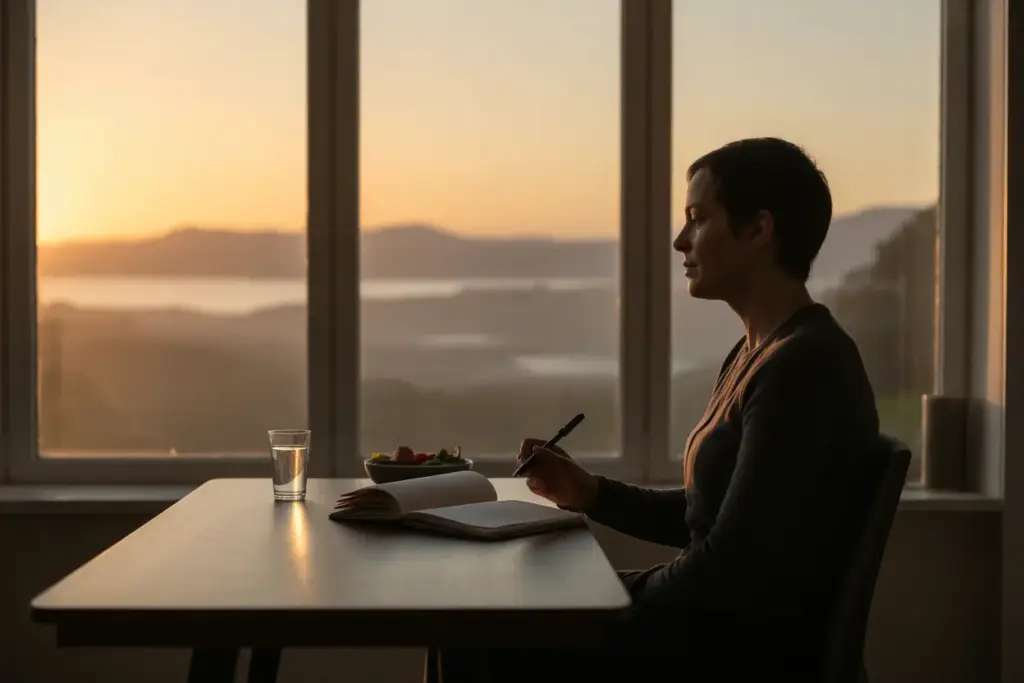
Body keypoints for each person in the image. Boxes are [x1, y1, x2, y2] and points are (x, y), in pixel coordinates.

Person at [428, 137, 881, 682]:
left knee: (473, 628)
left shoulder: (804, 368)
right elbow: (710, 516)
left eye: (697, 219)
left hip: (733, 655)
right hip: (712, 631)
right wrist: (591, 492)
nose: (679, 240)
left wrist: (599, 593)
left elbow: (728, 572)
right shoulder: (759, 353)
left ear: (759, 230)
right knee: (478, 614)